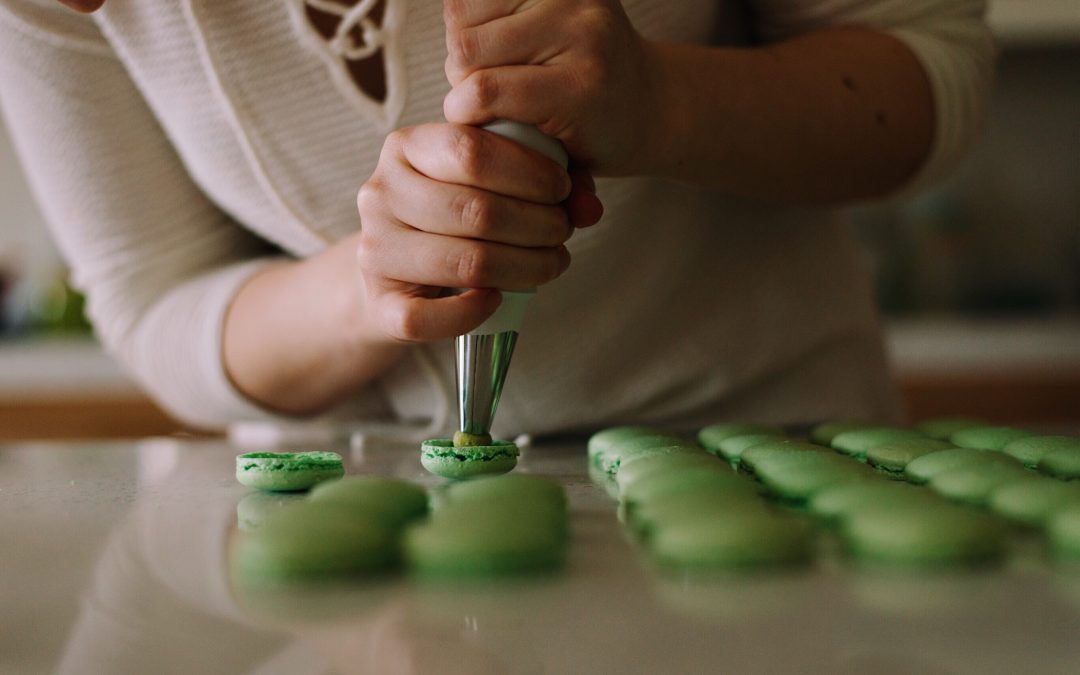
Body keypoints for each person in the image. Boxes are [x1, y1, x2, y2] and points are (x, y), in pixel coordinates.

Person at [0, 0, 993, 438]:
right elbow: (152, 301)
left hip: (766, 482)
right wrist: (370, 285)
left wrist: (663, 104)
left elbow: (929, 64)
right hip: (351, 576)